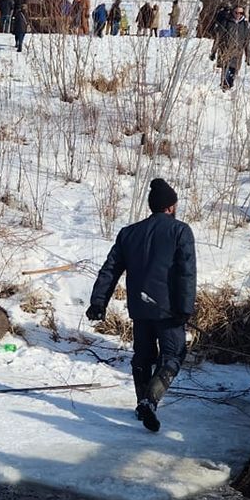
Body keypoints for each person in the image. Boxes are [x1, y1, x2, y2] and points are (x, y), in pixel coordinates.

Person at [87, 177, 196, 433]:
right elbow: (186, 273)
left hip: (140, 308)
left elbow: (110, 269)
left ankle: (142, 404)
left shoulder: (129, 232)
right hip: (168, 310)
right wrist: (185, 308)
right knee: (174, 354)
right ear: (170, 206)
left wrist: (98, 302)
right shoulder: (180, 231)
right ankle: (150, 400)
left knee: (143, 356)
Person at [213, 4, 250, 90]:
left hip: (238, 51)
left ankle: (229, 84)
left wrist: (248, 56)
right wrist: (213, 51)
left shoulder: (244, 25)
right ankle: (224, 85)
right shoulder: (226, 22)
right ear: (233, 12)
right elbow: (218, 36)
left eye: (240, 13)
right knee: (226, 68)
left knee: (233, 69)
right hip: (226, 50)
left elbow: (246, 41)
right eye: (236, 12)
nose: (238, 15)